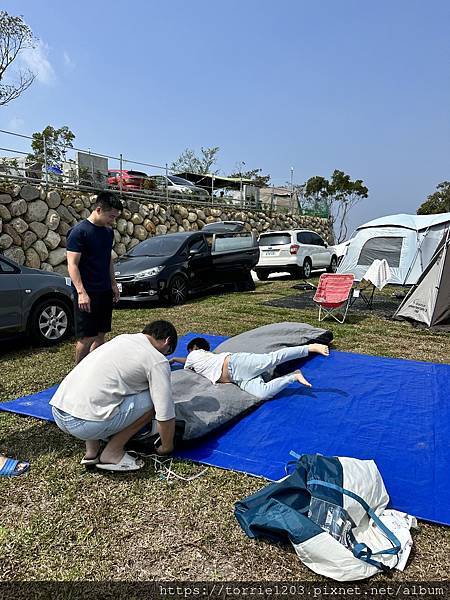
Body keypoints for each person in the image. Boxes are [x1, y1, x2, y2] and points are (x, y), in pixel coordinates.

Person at [50, 320, 178, 472]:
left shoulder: (122, 339)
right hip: (84, 423)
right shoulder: (157, 360)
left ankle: (92, 452)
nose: (165, 355)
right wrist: (166, 447)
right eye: (168, 351)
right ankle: (112, 452)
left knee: (102, 390)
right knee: (153, 400)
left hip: (59, 411)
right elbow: (165, 412)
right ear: (167, 341)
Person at [170, 337, 330, 399]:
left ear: (195, 347)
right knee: (264, 394)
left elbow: (187, 363)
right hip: (237, 379)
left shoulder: (194, 355)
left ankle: (311, 347)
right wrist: (175, 359)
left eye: (189, 350)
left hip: (236, 363)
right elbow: (186, 362)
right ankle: (293, 376)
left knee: (271, 359)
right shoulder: (201, 357)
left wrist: (173, 360)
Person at [66, 191, 123, 364]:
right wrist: (81, 292)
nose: (112, 220)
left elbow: (108, 261)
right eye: (111, 216)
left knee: (100, 335)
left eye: (115, 217)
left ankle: (93, 369)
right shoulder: (79, 232)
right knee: (86, 337)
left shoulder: (108, 232)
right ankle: (77, 373)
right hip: (87, 292)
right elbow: (72, 264)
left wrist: (113, 285)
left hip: (104, 290)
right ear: (98, 209)